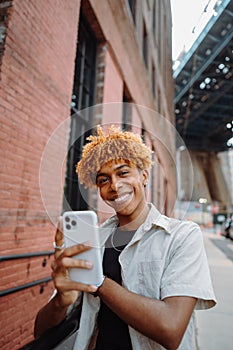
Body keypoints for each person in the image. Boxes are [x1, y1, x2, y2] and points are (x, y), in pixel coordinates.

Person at [34, 125, 216, 349]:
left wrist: (99, 282)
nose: (115, 186)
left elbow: (171, 330)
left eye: (123, 173)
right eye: (103, 180)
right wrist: (61, 301)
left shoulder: (182, 236)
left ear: (143, 176)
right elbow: (39, 330)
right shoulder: (94, 242)